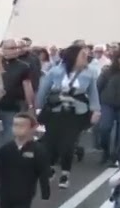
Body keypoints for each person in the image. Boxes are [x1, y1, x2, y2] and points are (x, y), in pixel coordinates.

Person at [35, 44, 100, 189]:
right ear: (73, 56)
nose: (86, 58)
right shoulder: (56, 71)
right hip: (55, 111)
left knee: (68, 144)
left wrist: (96, 110)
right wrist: (38, 107)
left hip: (76, 113)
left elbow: (93, 92)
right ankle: (50, 167)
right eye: (82, 55)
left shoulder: (90, 73)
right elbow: (43, 90)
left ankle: (65, 173)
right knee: (51, 141)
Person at [96, 47, 120, 164]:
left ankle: (115, 156)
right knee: (104, 128)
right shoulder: (108, 72)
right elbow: (98, 87)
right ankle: (105, 150)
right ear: (118, 58)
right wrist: (96, 104)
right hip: (107, 104)